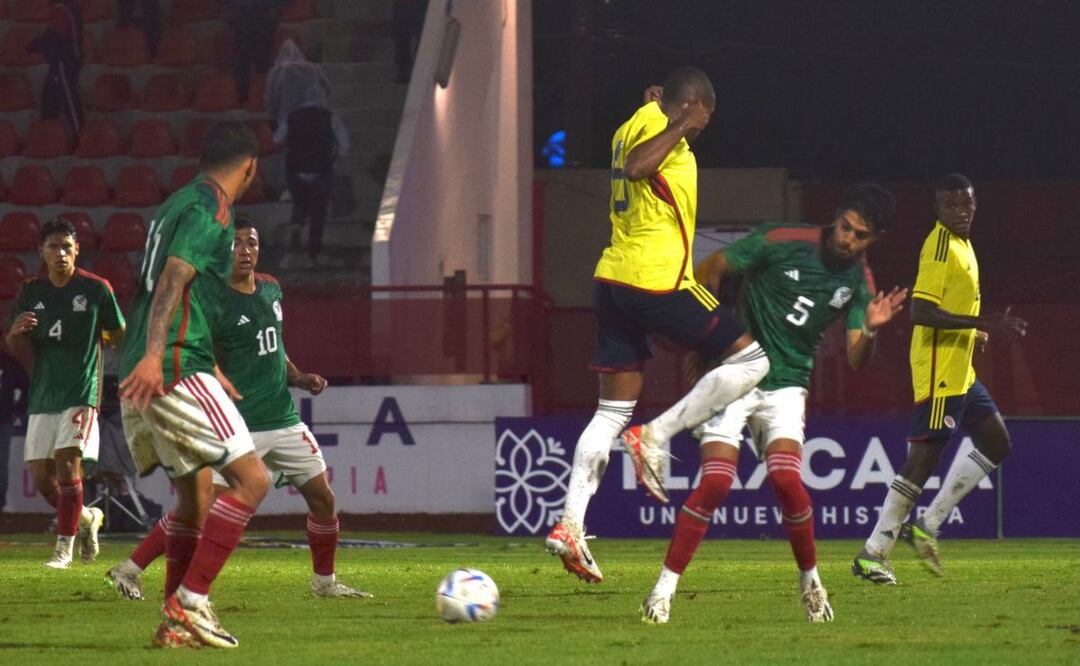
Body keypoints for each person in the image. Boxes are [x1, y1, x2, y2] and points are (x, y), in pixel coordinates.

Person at [640, 183, 908, 624]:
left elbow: (857, 357)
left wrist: (872, 329)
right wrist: (709, 336)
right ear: (837, 216)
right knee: (716, 483)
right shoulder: (782, 239)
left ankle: (811, 583)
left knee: (786, 480)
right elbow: (711, 266)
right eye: (846, 227)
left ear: (874, 239)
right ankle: (661, 592)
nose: (848, 239)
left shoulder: (858, 282)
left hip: (786, 384)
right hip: (736, 372)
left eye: (860, 235)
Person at [544, 67, 770, 584]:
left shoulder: (636, 120)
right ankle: (657, 434)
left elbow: (637, 142)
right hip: (657, 279)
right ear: (694, 105)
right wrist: (681, 125)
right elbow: (636, 166)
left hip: (613, 280)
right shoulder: (669, 138)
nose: (705, 127)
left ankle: (570, 525)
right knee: (754, 359)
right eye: (705, 115)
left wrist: (664, 112)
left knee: (610, 411)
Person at [107, 214, 371, 600]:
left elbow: (274, 345)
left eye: (252, 242)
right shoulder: (211, 299)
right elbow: (201, 355)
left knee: (323, 499)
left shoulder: (271, 288)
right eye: (236, 243)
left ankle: (324, 583)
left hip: (283, 419)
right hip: (238, 427)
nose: (245, 250)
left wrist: (298, 377)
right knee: (198, 508)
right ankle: (129, 569)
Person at [118, 121, 269, 649]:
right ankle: (192, 601)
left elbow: (179, 287)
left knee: (193, 498)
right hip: (172, 362)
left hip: (150, 361)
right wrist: (157, 355)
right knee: (252, 481)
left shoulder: (176, 202)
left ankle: (173, 625)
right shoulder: (213, 209)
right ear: (249, 167)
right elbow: (174, 277)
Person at [852, 173, 1028, 585]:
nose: (961, 211)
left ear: (975, 203)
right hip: (938, 372)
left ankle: (927, 525)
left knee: (997, 442)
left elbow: (949, 306)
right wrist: (980, 322)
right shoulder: (939, 246)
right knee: (922, 461)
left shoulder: (964, 244)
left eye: (967, 203)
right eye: (952, 205)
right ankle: (873, 554)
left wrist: (972, 333)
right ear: (938, 209)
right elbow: (921, 312)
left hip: (960, 370)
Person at [4, 217, 125, 566]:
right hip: (44, 394)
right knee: (43, 480)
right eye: (54, 247)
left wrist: (114, 351)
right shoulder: (31, 291)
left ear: (77, 251)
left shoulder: (96, 289)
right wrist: (15, 333)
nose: (61, 253)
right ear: (41, 251)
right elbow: (14, 345)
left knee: (68, 466)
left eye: (67, 247)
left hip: (81, 391)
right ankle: (87, 518)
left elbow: (119, 333)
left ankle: (63, 550)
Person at [275, 85, 350, 268]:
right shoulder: (331, 117)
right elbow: (344, 145)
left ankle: (296, 228)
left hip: (296, 169)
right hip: (321, 169)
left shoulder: (292, 116)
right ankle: (313, 254)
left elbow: (277, 139)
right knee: (318, 212)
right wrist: (334, 158)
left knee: (299, 203)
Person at [27, 0, 85, 135]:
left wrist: (33, 46)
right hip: (64, 59)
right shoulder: (67, 7)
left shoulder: (61, 9)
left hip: (64, 60)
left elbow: (54, 36)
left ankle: (80, 135)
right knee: (49, 97)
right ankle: (48, 134)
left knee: (68, 99)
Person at [224, 0, 287, 106]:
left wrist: (277, 8)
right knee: (242, 63)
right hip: (243, 18)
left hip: (266, 18)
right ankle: (242, 99)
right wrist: (231, 8)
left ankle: (265, 98)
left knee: (263, 62)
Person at [265, 38, 331, 129]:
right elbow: (328, 90)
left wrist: (271, 119)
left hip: (288, 122)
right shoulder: (314, 68)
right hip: (316, 117)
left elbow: (271, 100)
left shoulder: (276, 71)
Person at [0, 350, 29, 513]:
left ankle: (0, 505)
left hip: (3, 421)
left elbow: (26, 385)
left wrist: (17, 410)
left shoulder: (8, 363)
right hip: (5, 420)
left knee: (1, 465)